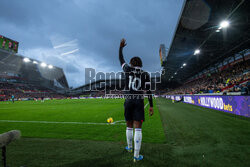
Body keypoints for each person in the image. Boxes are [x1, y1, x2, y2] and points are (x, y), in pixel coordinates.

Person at [119, 38, 154, 162]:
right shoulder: (145, 74)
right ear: (141, 64)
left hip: (128, 100)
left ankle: (129, 147)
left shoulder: (127, 69)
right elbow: (148, 91)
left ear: (131, 64)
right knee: (138, 127)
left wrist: (121, 47)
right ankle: (136, 155)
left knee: (129, 126)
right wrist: (151, 105)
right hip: (139, 101)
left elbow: (121, 60)